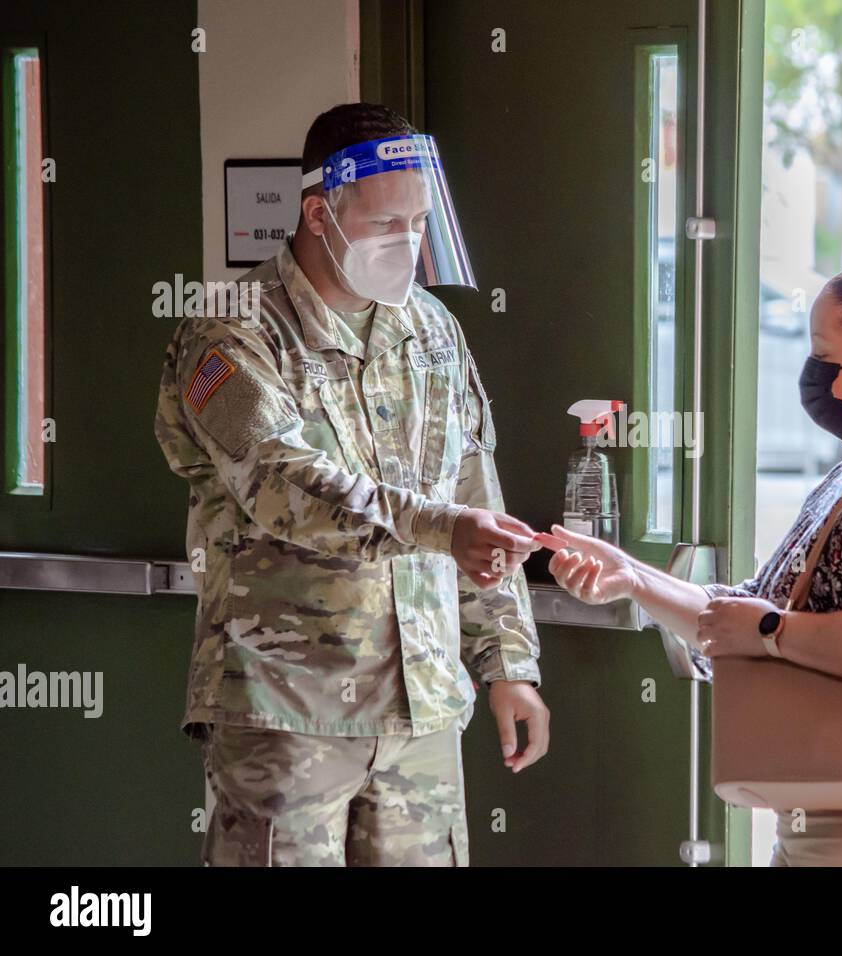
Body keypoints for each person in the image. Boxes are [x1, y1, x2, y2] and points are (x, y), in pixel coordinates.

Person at [154, 103, 549, 866]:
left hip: (422, 707)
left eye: (419, 223)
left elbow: (476, 496)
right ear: (318, 211)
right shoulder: (231, 331)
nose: (407, 242)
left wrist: (507, 663)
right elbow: (282, 482)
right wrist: (441, 529)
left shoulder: (430, 328)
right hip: (287, 706)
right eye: (386, 223)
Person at [544, 264, 842, 866]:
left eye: (826, 356)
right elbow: (742, 614)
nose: (811, 376)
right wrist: (630, 576)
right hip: (808, 819)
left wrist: (773, 633)